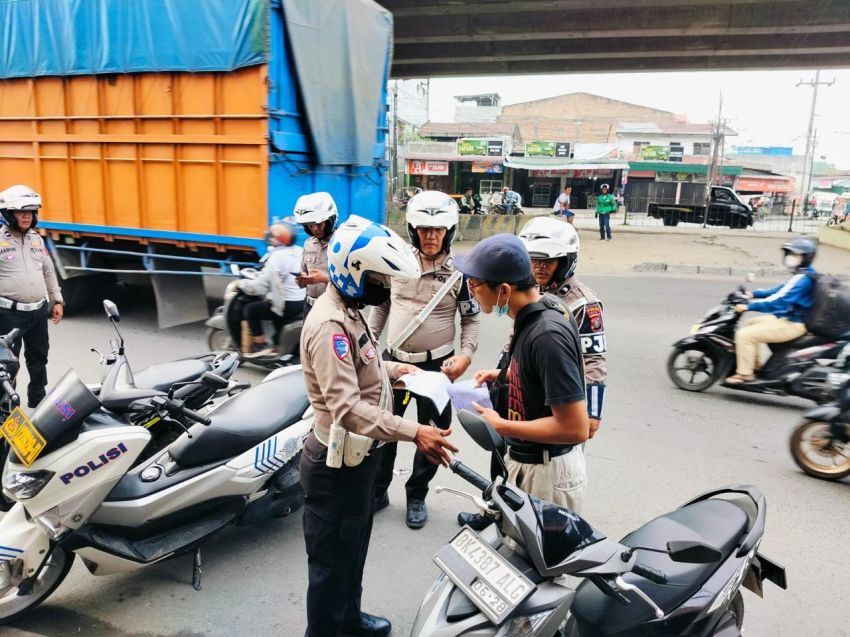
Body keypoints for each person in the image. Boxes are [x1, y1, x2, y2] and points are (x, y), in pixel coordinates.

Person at [299, 215, 457, 637]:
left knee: (352, 551)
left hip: (359, 459)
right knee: (331, 565)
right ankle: (327, 629)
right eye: (378, 276)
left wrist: (393, 369)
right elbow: (347, 407)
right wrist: (415, 432)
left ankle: (348, 620)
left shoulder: (349, 311)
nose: (385, 285)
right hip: (336, 466)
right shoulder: (330, 323)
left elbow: (361, 363)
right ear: (352, 272)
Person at [454, 234, 589, 525]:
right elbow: (538, 375)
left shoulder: (547, 335)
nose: (471, 291)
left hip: (547, 473)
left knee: (536, 566)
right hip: (529, 462)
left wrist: (501, 425)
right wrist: (503, 376)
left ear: (503, 289)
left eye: (474, 284)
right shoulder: (532, 314)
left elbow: (575, 427)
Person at [368, 191, 481, 529]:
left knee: (431, 435)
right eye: (423, 229)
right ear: (412, 228)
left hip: (438, 368)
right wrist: (372, 346)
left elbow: (471, 319)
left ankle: (417, 494)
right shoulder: (397, 262)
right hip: (395, 364)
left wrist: (465, 356)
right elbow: (382, 307)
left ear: (450, 230)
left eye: (438, 229)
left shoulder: (461, 273)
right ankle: (378, 490)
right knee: (385, 430)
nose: (431, 236)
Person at [519, 217, 607, 440]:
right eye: (534, 260)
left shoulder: (583, 304)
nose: (539, 267)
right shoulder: (532, 292)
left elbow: (594, 360)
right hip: (526, 393)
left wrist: (593, 414)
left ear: (565, 262)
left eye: (548, 261)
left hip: (562, 397)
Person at [0, 185, 64, 408]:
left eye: (31, 211)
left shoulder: (37, 239)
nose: (27, 216)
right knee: (8, 364)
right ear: (9, 213)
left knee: (39, 358)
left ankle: (38, 399)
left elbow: (48, 270)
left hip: (37, 312)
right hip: (8, 314)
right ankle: (8, 405)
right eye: (21, 211)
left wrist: (57, 300)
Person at [725, 237, 818, 384]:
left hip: (793, 324)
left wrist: (749, 306)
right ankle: (754, 366)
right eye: (789, 254)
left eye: (795, 255)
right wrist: (753, 294)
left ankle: (744, 374)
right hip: (789, 319)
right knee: (751, 324)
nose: (790, 257)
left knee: (744, 335)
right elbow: (780, 289)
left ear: (806, 257)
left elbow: (779, 300)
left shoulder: (803, 279)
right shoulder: (803, 273)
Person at [237, 221, 305, 357]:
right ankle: (276, 343)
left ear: (278, 240)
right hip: (301, 302)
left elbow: (260, 287)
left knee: (250, 310)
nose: (270, 240)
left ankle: (259, 346)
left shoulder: (277, 257)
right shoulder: (299, 250)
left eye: (272, 237)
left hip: (287, 304)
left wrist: (242, 284)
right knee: (271, 308)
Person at [293, 192, 337, 316]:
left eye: (319, 224)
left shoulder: (341, 244)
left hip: (332, 308)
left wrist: (324, 278)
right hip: (309, 307)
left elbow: (350, 282)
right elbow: (302, 274)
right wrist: (301, 280)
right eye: (311, 225)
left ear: (329, 221)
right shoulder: (308, 244)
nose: (315, 229)